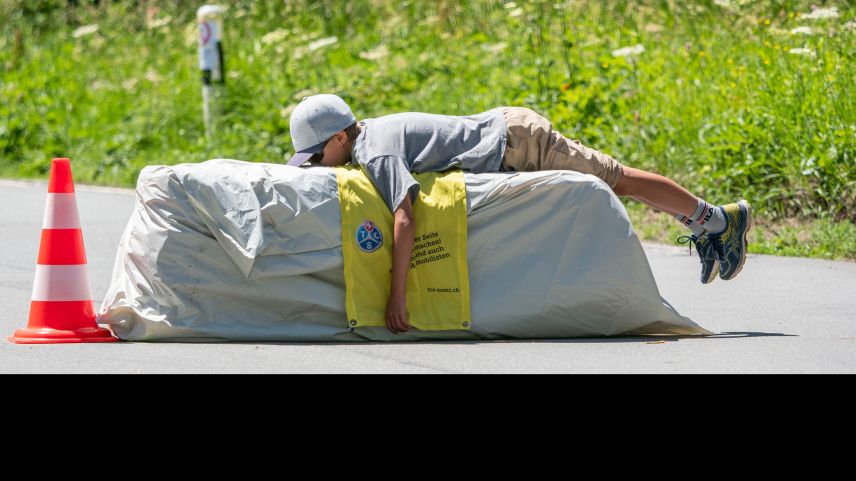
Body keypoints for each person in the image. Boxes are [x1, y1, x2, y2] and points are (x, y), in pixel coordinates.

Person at [287, 94, 751, 334]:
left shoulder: (375, 152)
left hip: (516, 140)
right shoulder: (369, 137)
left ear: (340, 139)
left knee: (615, 178)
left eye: (313, 157)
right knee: (611, 179)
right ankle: (708, 228)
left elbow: (404, 219)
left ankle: (718, 220)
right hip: (506, 137)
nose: (313, 166)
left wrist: (397, 297)